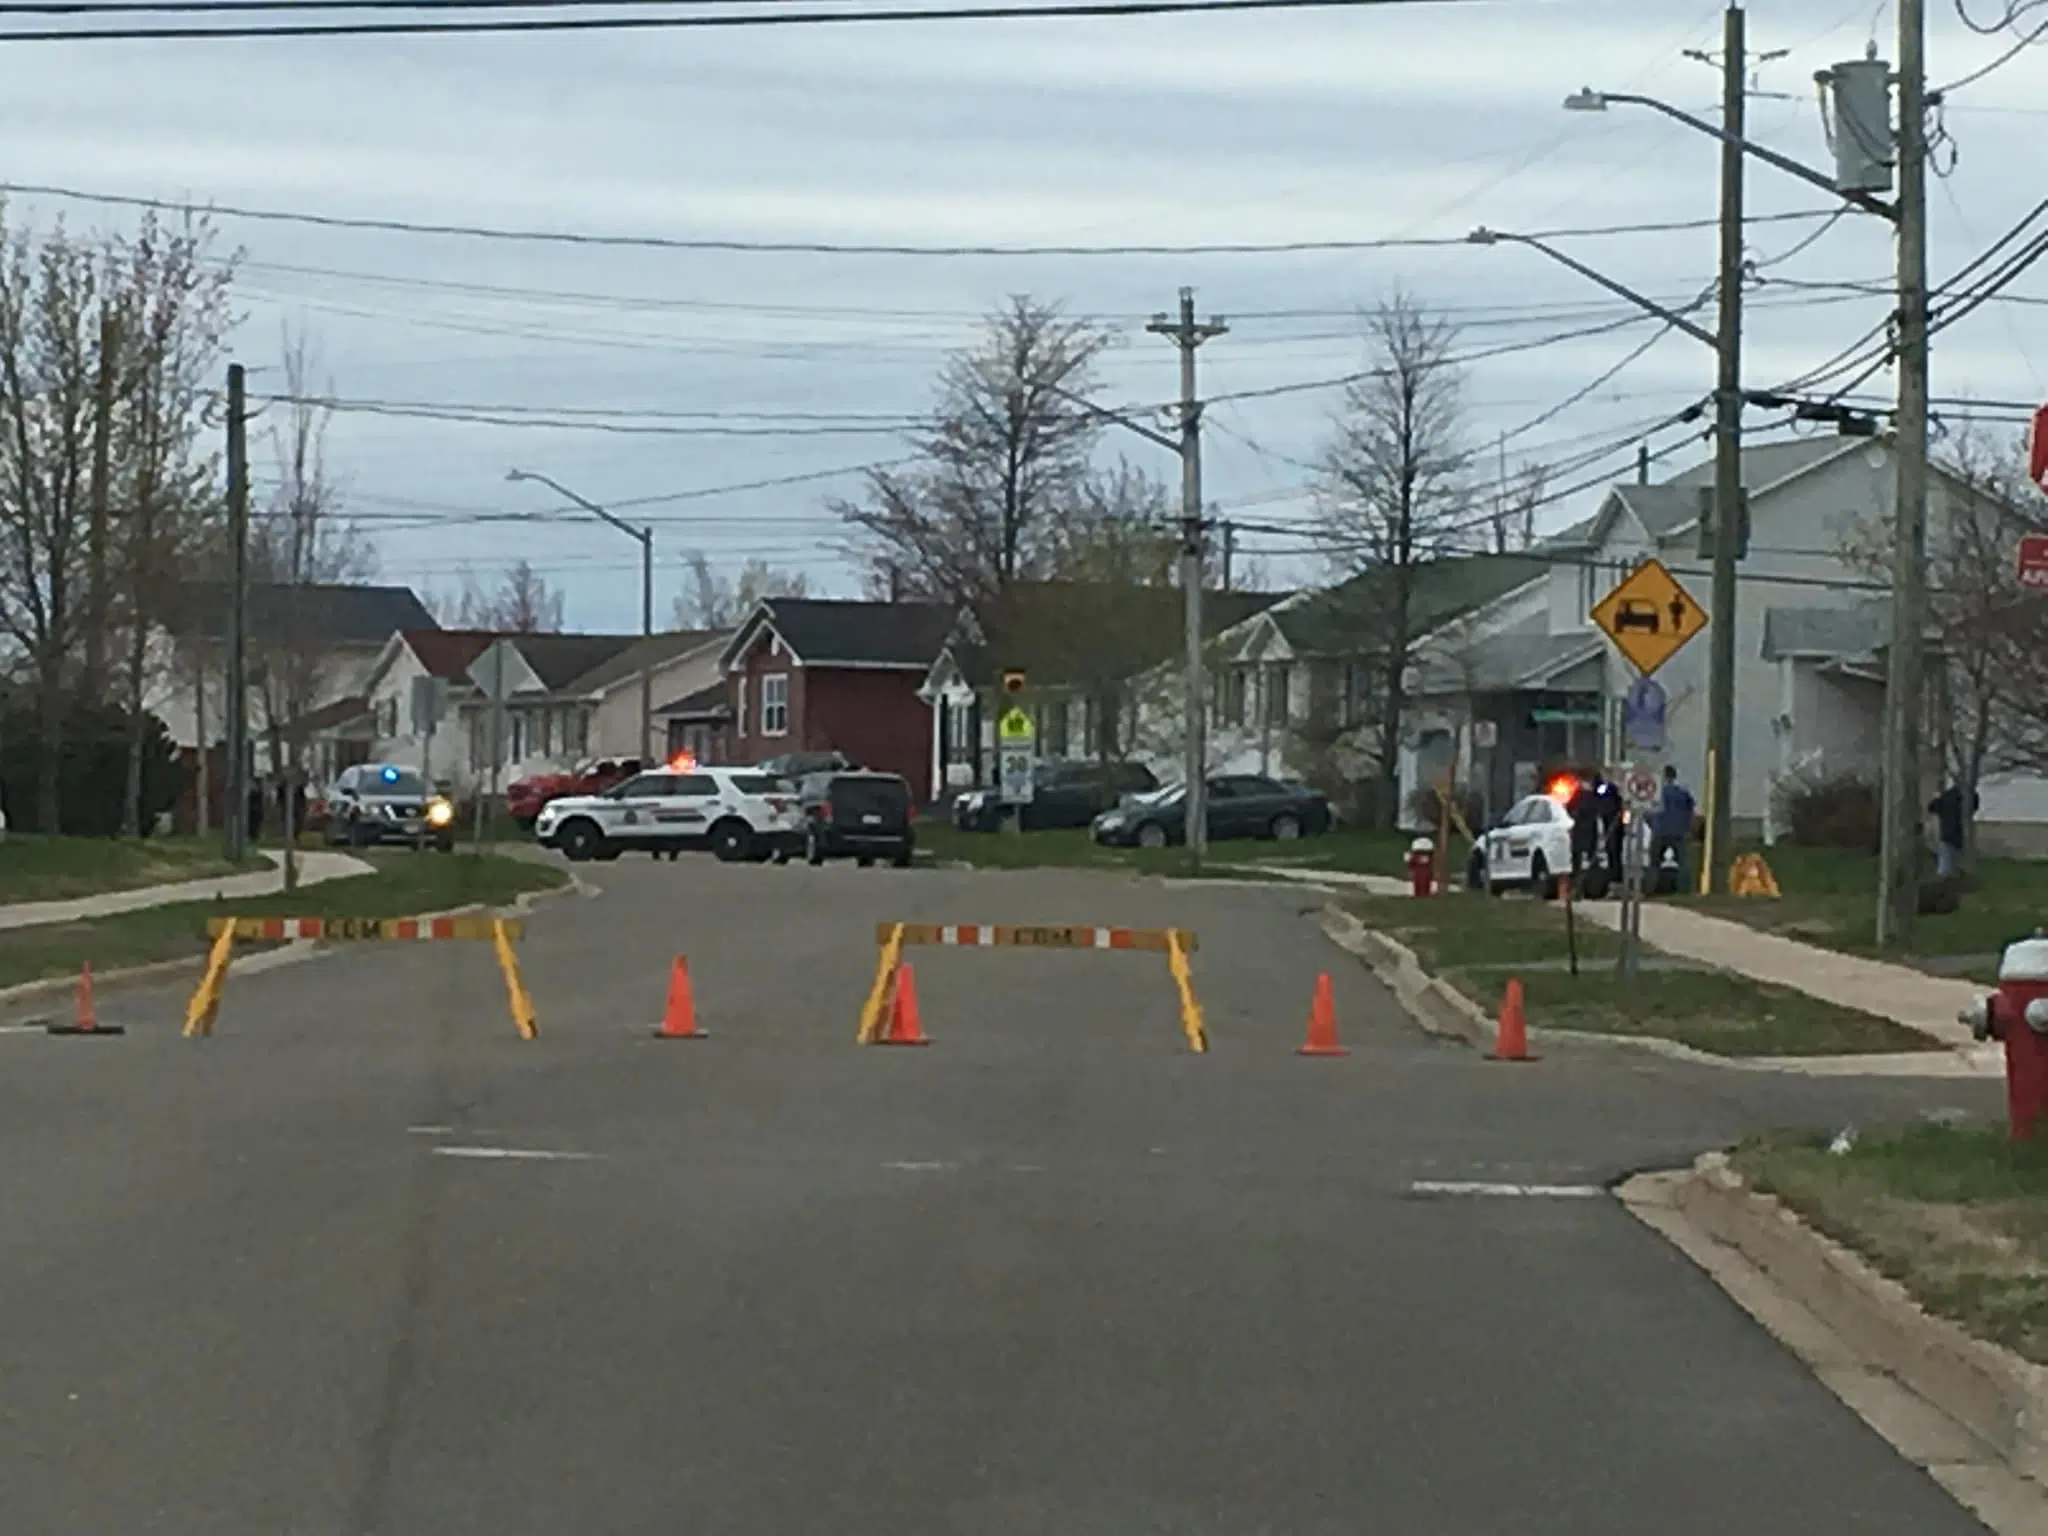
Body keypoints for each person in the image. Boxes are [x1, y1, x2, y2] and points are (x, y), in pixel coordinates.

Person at [1651, 764, 1695, 893]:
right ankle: (1684, 889)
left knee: (1654, 863)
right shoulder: (1683, 793)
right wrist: (1687, 827)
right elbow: (1690, 811)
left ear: (1664, 776)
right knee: (1682, 863)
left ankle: (1654, 888)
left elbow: (1649, 812)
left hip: (1660, 830)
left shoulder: (1658, 794)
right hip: (1679, 831)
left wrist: (1652, 824)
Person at [1928, 783, 1979, 877]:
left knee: (1945, 867)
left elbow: (1931, 808)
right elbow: (1975, 806)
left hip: (1947, 835)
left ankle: (1946, 881)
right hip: (1962, 835)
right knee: (1959, 864)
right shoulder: (1969, 796)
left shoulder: (1945, 797)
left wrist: (1936, 797)